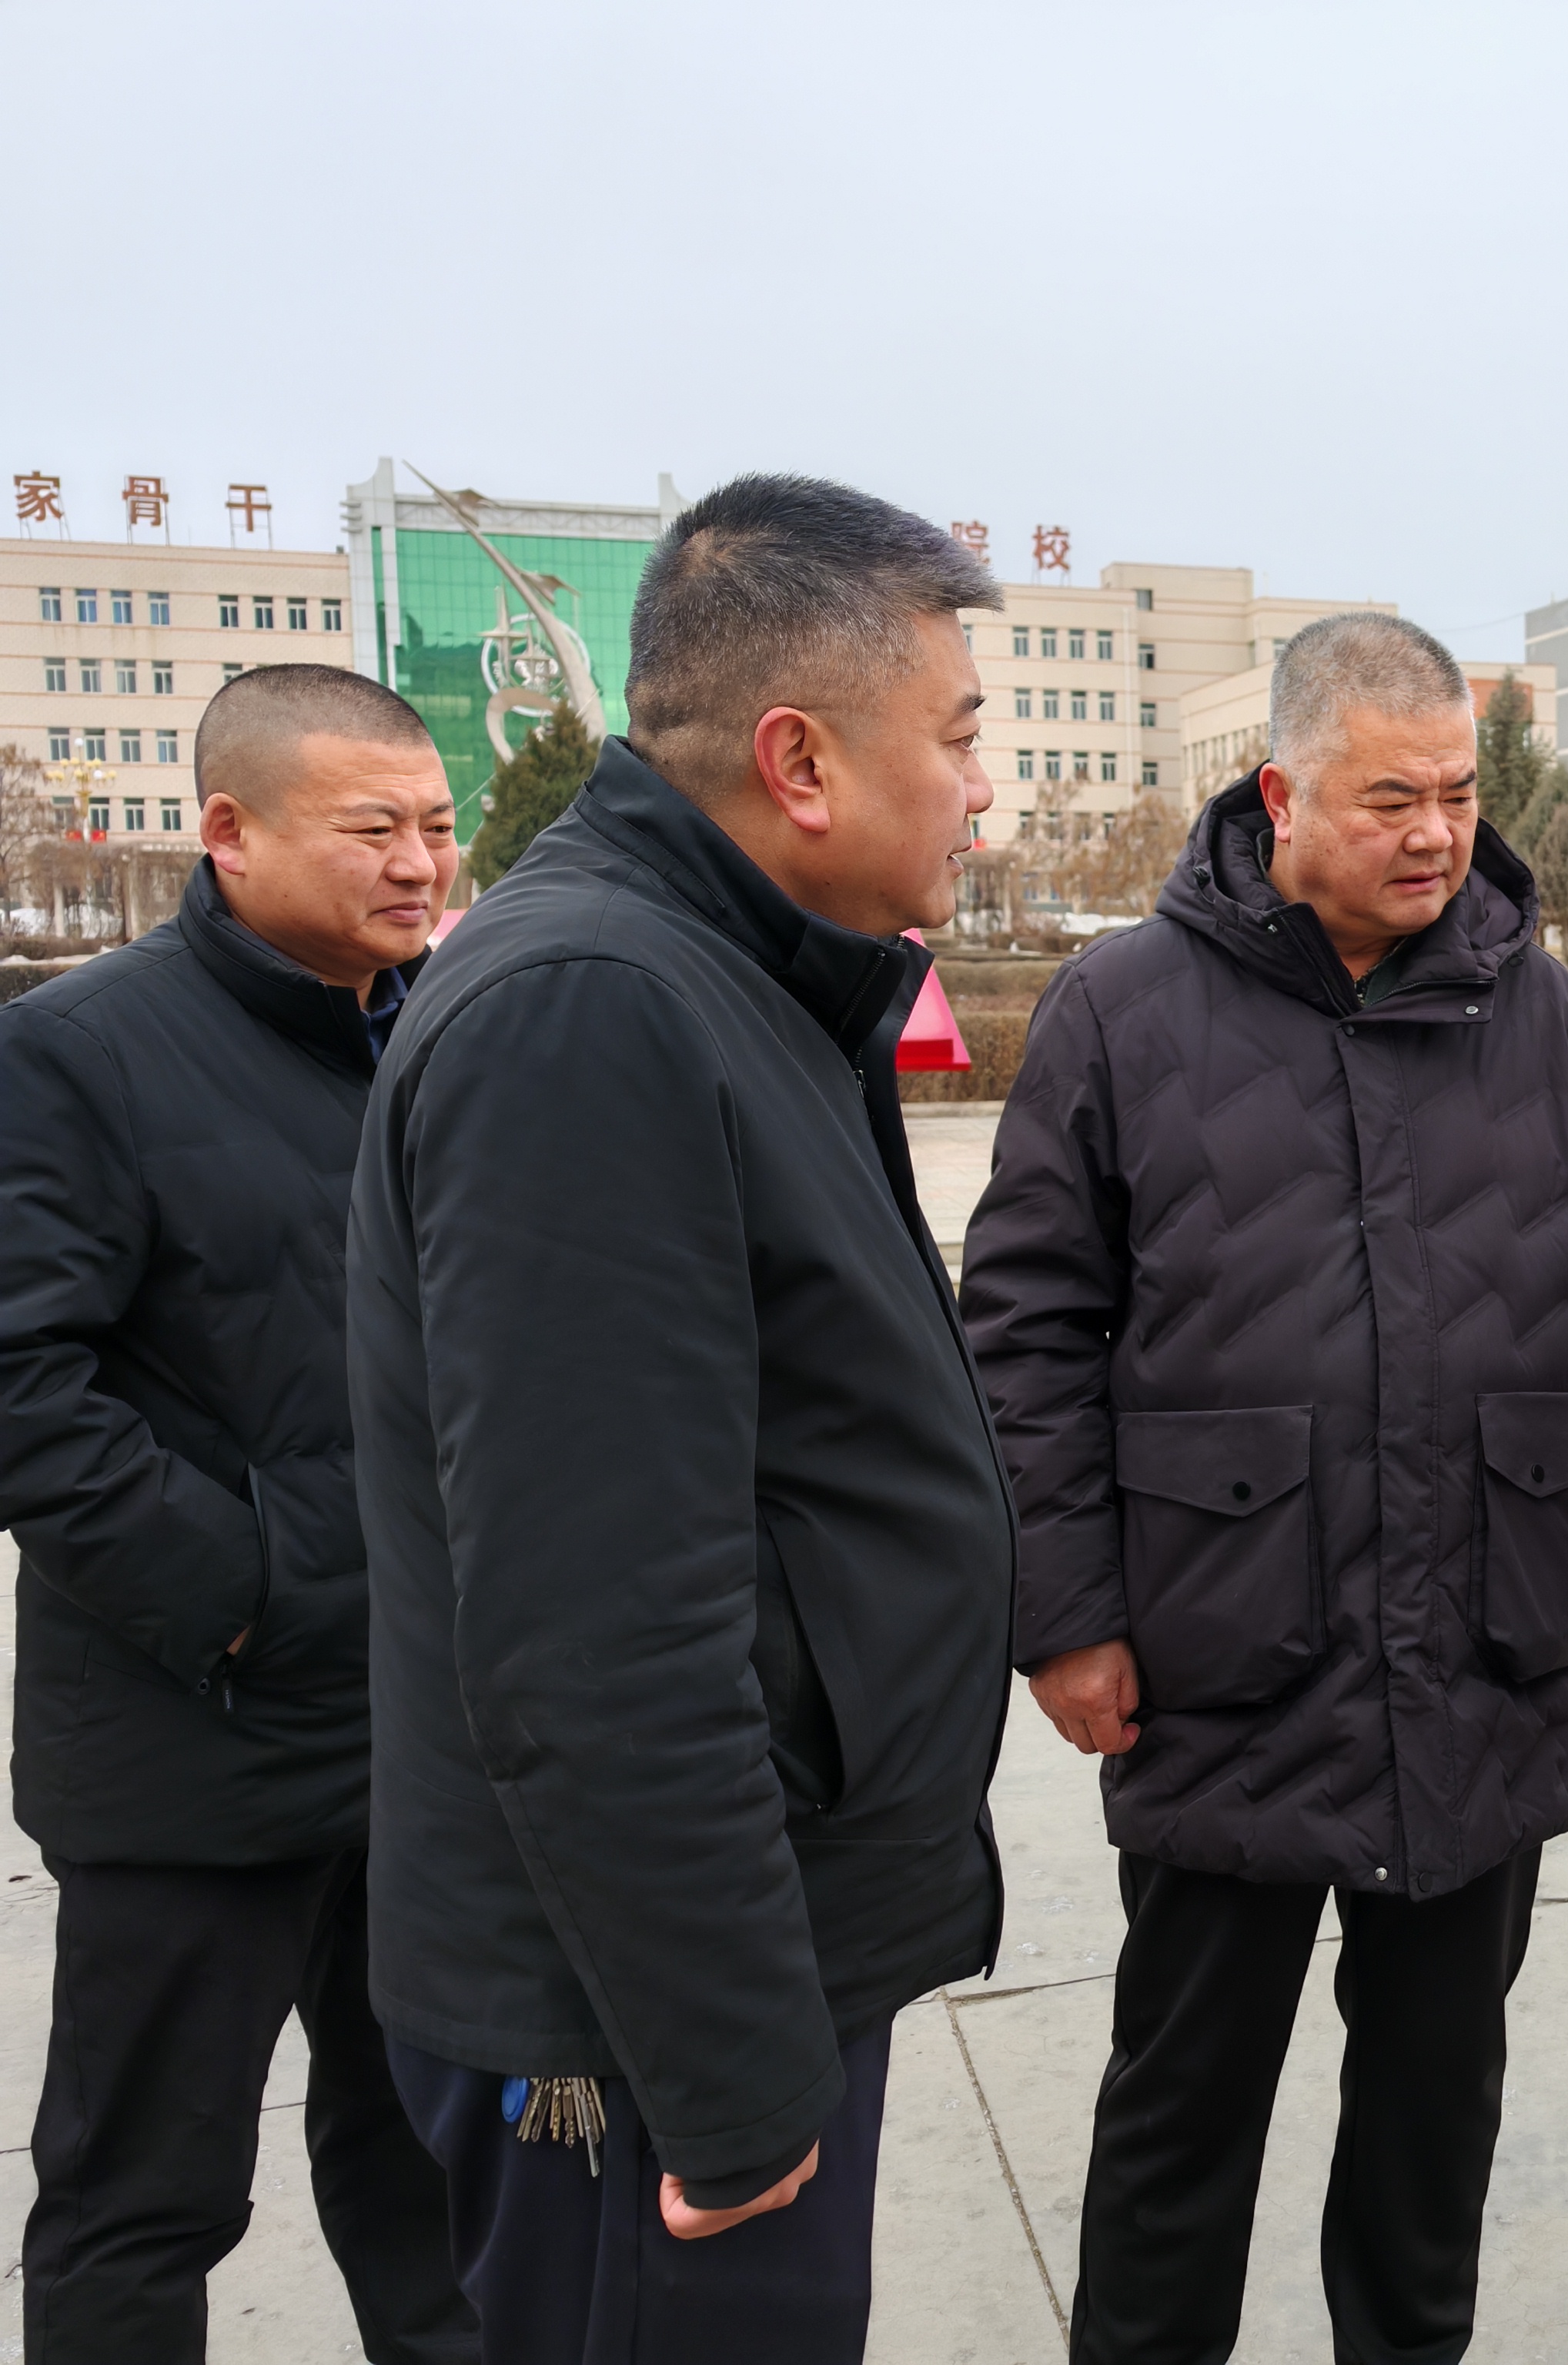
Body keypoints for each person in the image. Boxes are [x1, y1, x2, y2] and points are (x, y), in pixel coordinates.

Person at [346, 476, 1018, 2363]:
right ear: (800, 760)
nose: (983, 789)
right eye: (959, 736)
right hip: (636, 2033)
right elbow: (597, 1635)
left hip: (729, 1964)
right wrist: (725, 2079)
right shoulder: (591, 1013)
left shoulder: (730, 976)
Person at [961, 611, 1568, 2363]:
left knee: (1434, 2124)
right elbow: (1028, 1329)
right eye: (1388, 800)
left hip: (1483, 1653)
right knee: (1180, 2114)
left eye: (1459, 794)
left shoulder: (1537, 1009)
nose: (1436, 835)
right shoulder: (1123, 1009)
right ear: (1280, 796)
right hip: (1220, 1658)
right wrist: (1065, 1614)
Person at [0, 665, 476, 2362]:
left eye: (436, 824)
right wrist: (257, 1590)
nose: (419, 862)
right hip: (190, 1747)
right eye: (372, 828)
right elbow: (21, 1386)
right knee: (144, 2199)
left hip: (420, 1742)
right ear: (229, 831)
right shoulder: (77, 1052)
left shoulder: (444, 1030)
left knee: (433, 2173)